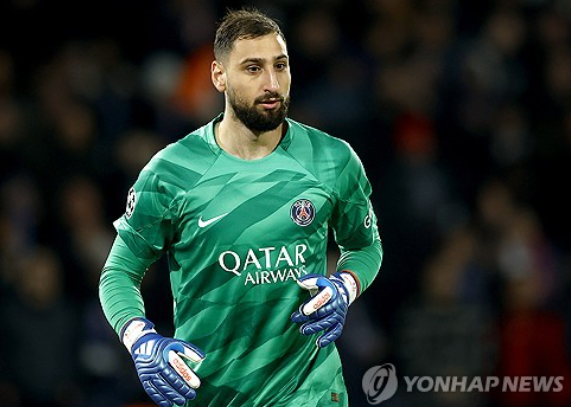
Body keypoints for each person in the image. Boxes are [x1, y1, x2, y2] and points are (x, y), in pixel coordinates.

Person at [99, 7, 383, 407]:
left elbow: (365, 245)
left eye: (280, 66)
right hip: (213, 393)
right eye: (253, 68)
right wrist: (139, 339)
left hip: (311, 391)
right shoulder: (171, 172)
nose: (272, 83)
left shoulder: (332, 159)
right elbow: (119, 272)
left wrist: (345, 286)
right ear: (219, 76)